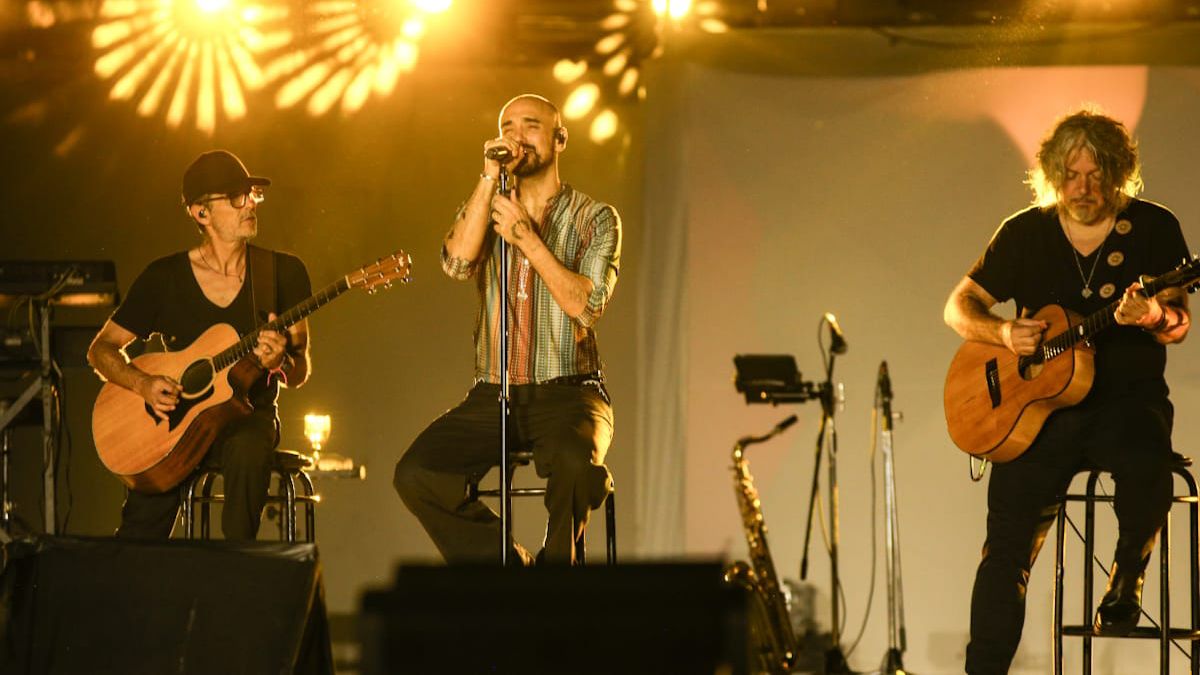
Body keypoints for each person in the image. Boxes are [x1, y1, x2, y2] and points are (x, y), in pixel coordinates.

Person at [944, 109, 1191, 673]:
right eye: (1072, 176)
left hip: (1125, 402)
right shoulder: (1024, 231)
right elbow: (958, 307)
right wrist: (1004, 332)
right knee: (1004, 550)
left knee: (1148, 462)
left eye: (1097, 176)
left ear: (1118, 174)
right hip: (1039, 416)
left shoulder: (1153, 229)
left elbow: (1179, 324)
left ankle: (1125, 580)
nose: (1084, 189)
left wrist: (1151, 312)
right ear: (1054, 174)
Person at [394, 94, 621, 565]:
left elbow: (587, 305)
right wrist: (486, 180)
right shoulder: (487, 205)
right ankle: (512, 574)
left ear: (559, 139)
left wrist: (525, 239)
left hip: (570, 394)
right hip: (494, 394)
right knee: (416, 473)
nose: (517, 136)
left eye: (531, 125)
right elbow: (456, 265)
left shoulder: (595, 217)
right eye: (508, 126)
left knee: (575, 465)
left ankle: (556, 592)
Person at [87, 149, 312, 540]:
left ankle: (233, 571)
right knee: (138, 537)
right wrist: (142, 385)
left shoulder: (282, 273)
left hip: (247, 419)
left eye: (252, 194)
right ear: (200, 213)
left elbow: (299, 372)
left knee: (248, 451)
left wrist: (280, 361)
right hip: (174, 424)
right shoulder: (164, 277)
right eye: (235, 197)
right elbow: (101, 350)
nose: (250, 205)